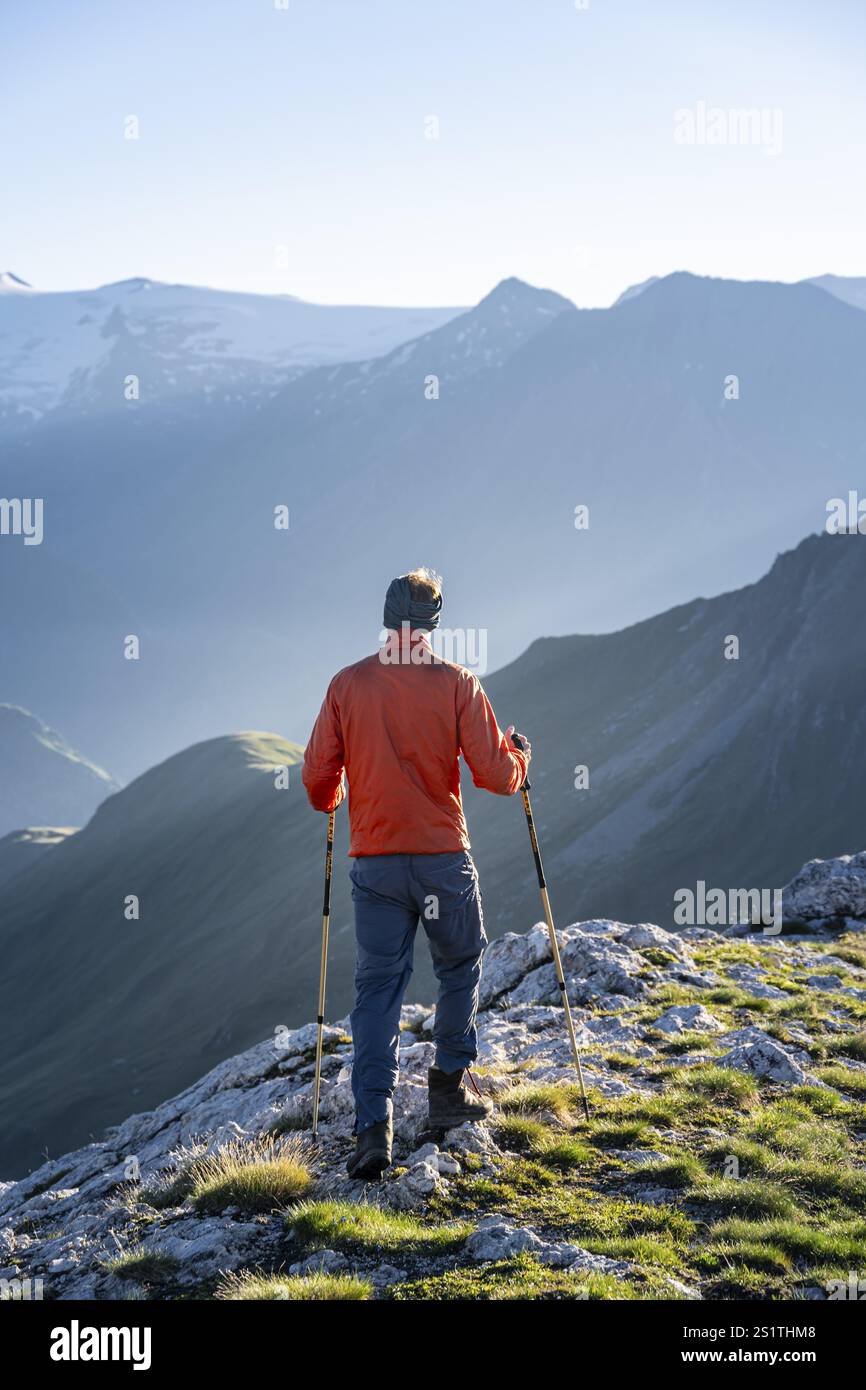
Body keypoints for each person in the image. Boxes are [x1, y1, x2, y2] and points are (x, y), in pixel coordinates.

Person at [302, 568, 531, 1178]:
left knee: (378, 991)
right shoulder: (457, 683)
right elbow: (493, 774)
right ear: (434, 621)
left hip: (374, 863)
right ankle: (448, 1091)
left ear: (385, 616)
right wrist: (520, 759)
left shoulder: (346, 685)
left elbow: (317, 778)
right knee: (458, 965)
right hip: (440, 859)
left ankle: (372, 1132)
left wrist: (333, 799)